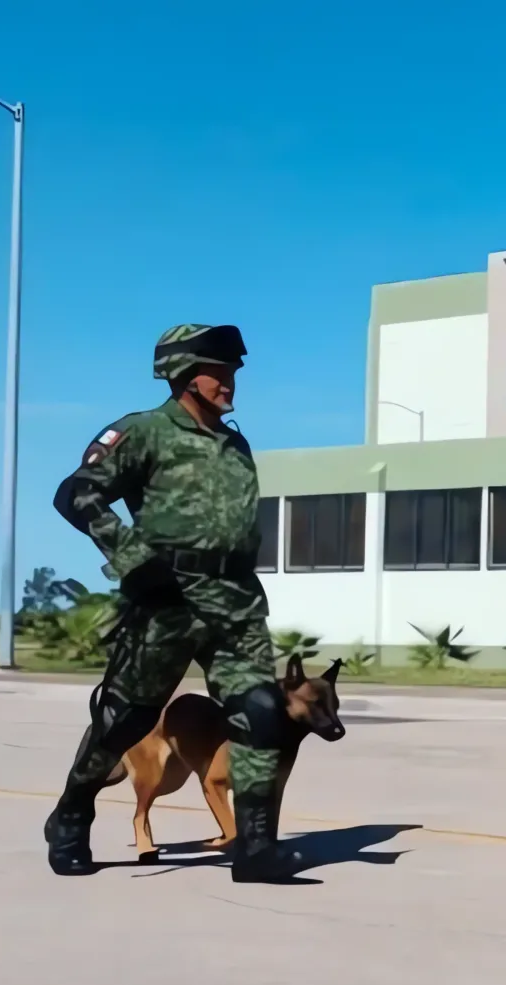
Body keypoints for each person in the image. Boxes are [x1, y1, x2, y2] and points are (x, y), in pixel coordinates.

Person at [44, 324, 318, 883]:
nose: (230, 382)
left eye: (233, 371)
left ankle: (256, 849)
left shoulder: (234, 444)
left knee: (261, 713)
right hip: (166, 598)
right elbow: (76, 494)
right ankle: (72, 812)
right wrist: (132, 560)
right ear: (185, 376)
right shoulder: (144, 433)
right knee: (125, 720)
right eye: (219, 372)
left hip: (235, 601)